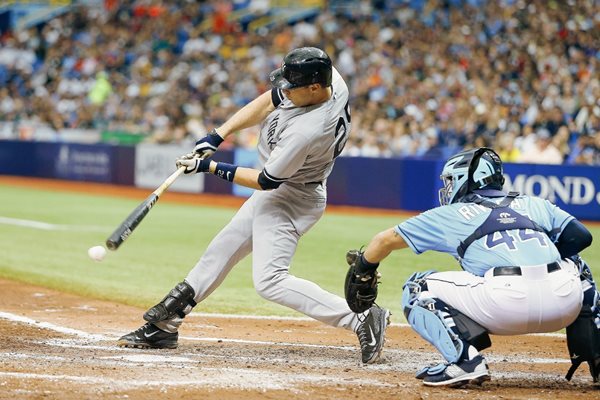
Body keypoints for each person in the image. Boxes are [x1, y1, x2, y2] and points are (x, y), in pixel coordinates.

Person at [117, 47, 390, 364]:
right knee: (219, 252)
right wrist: (217, 135)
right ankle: (163, 326)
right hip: (281, 192)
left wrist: (209, 167)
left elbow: (266, 181)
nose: (285, 90)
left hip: (290, 198)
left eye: (292, 86)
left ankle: (361, 317)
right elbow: (270, 100)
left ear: (314, 88)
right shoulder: (330, 81)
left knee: (270, 281)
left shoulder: (308, 131)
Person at [345, 147, 598, 386]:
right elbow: (581, 237)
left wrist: (363, 267)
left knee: (417, 286)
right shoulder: (534, 203)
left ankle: (465, 361)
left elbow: (384, 240)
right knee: (576, 265)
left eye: (451, 180)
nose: (447, 187)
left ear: (467, 179)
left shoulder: (453, 212)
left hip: (505, 308)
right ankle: (596, 356)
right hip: (565, 304)